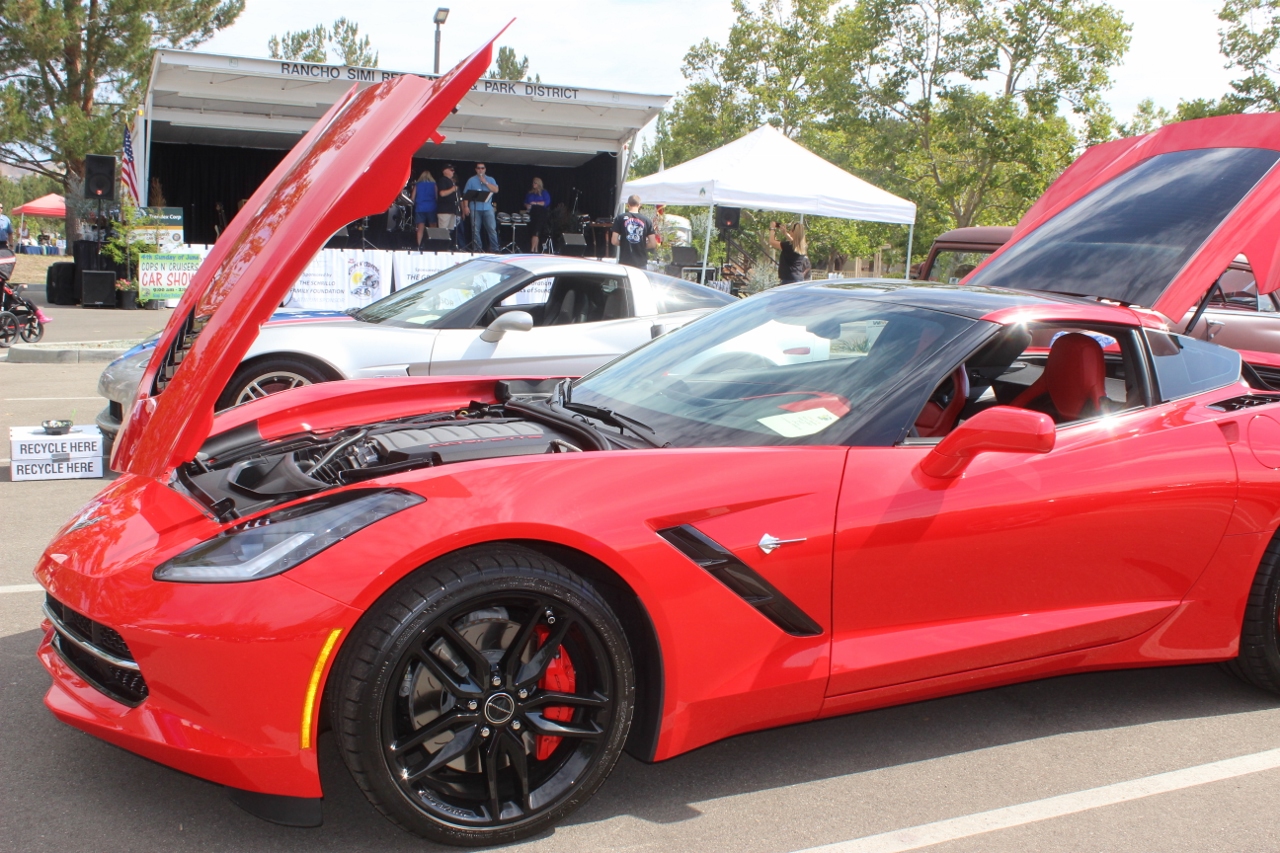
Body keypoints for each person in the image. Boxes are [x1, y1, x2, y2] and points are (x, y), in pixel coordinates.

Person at [611, 195, 656, 269]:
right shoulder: (647, 220)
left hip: (625, 261)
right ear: (639, 205)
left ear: (628, 204)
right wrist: (641, 244)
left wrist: (624, 243)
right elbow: (653, 244)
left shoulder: (619, 218)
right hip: (641, 262)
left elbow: (614, 241)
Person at [464, 162, 499, 253]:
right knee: (475, 229)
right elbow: (466, 195)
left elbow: (496, 190)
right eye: (478, 168)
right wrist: (465, 207)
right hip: (475, 208)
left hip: (488, 208)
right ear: (476, 169)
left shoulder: (490, 179)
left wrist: (485, 182)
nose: (480, 170)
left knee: (492, 229)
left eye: (482, 168)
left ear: (485, 169)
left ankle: (495, 248)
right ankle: (477, 249)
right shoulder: (471, 180)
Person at [411, 170, 437, 248]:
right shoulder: (434, 185)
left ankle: (418, 245)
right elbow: (436, 197)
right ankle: (433, 245)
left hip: (420, 208)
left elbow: (412, 198)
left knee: (420, 229)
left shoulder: (417, 185)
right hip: (431, 207)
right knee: (433, 227)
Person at [524, 177, 551, 252]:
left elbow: (546, 202)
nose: (533, 184)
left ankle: (532, 249)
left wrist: (536, 203)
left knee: (536, 232)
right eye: (533, 183)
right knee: (533, 232)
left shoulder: (544, 192)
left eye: (535, 183)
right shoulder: (530, 193)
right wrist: (527, 205)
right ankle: (535, 249)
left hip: (540, 213)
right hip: (532, 213)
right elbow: (525, 202)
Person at [436, 164, 460, 245]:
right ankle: (441, 246)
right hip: (444, 210)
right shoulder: (443, 180)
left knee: (450, 231)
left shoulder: (451, 181)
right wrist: (453, 189)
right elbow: (442, 193)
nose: (453, 172)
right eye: (451, 170)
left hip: (451, 210)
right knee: (443, 230)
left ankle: (446, 246)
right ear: (445, 171)